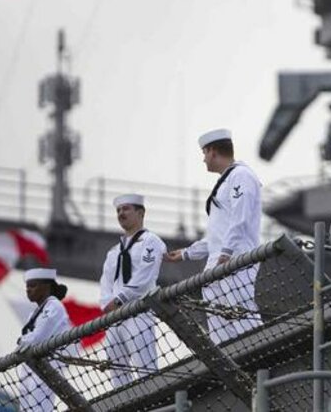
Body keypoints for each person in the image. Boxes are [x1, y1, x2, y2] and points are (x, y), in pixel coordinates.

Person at [164, 129, 263, 344]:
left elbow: (241, 218)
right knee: (219, 324)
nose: (203, 159)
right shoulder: (225, 182)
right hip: (218, 262)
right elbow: (218, 235)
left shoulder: (241, 175)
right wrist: (186, 253)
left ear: (213, 152)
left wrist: (226, 253)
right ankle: (228, 358)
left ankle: (261, 356)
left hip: (237, 258)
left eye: (204, 153)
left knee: (242, 315)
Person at [99, 194, 166, 387]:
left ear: (141, 212)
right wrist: (106, 305)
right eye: (118, 210)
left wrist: (119, 299)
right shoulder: (113, 252)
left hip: (138, 312)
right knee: (117, 372)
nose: (121, 213)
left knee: (146, 368)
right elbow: (106, 282)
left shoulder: (151, 241)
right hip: (115, 317)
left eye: (126, 209)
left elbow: (144, 277)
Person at [16, 268, 72, 412]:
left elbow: (39, 336)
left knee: (39, 405)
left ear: (46, 287)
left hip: (47, 365)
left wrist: (22, 341)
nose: (28, 290)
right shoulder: (34, 313)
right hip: (31, 364)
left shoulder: (54, 306)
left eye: (33, 285)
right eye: (27, 286)